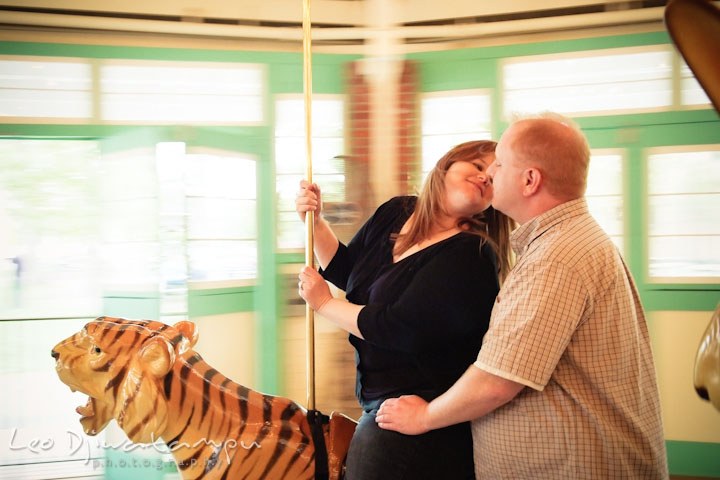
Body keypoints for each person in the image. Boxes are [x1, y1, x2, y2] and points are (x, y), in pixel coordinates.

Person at [375, 113, 669, 479]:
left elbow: (497, 382)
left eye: (499, 162)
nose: (490, 173)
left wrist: (424, 416)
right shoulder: (562, 241)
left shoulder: (557, 258)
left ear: (530, 180)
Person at [295, 140, 514, 480]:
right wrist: (315, 221)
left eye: (494, 175)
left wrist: (325, 304)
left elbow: (398, 328)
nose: (486, 176)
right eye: (478, 166)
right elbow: (348, 271)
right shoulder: (396, 212)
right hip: (378, 398)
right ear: (447, 164)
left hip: (424, 408)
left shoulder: (471, 253)